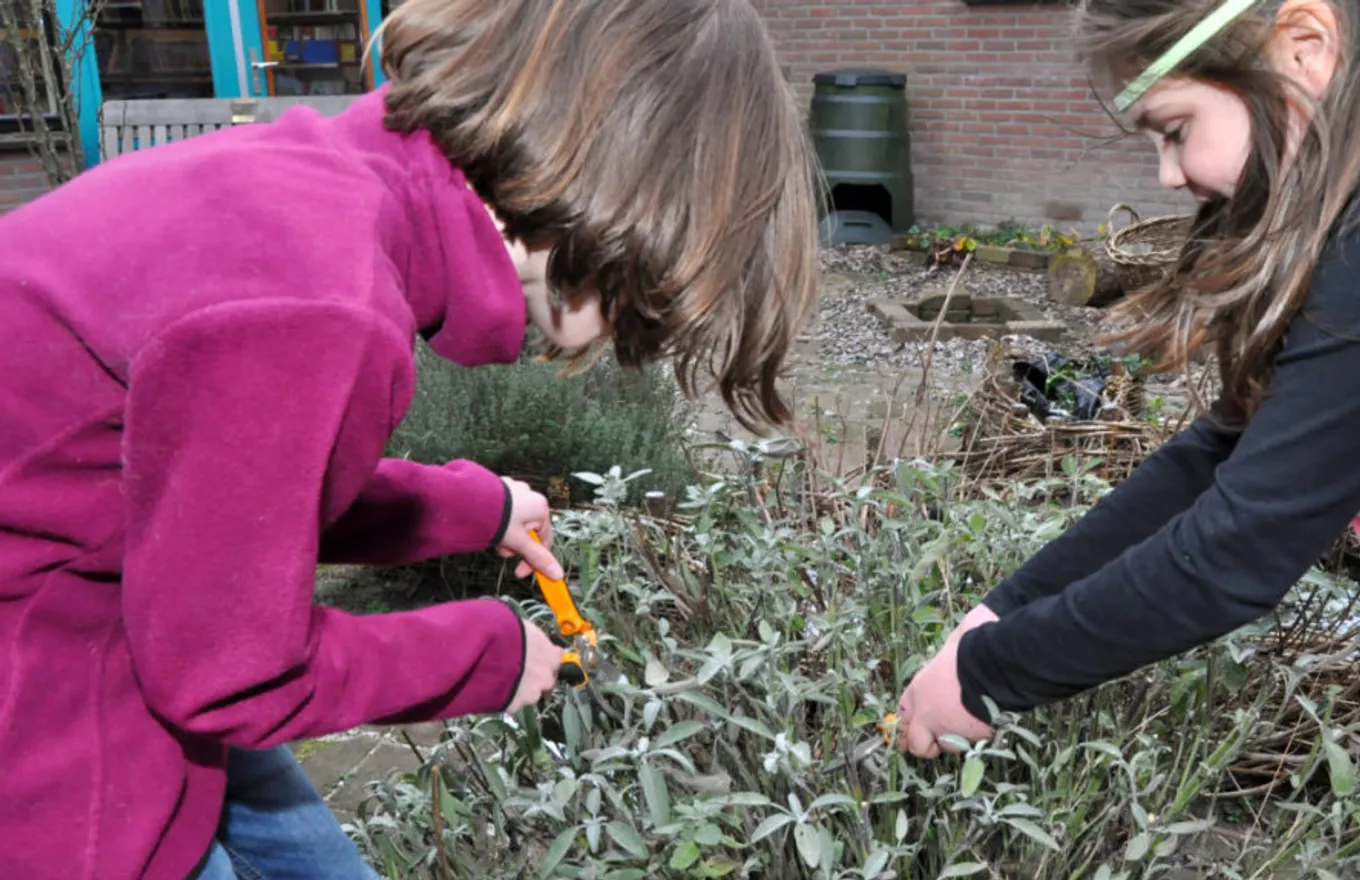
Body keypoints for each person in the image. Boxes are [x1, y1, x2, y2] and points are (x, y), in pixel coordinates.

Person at [0, 0, 819, 876]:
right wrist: (490, 655)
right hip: (51, 700)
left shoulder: (325, 189)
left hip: (131, 608)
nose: (629, 340)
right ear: (632, 214)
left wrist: (475, 506)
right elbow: (230, 675)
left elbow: (223, 500)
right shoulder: (321, 306)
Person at [895, 1, 1360, 876]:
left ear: (1304, 49)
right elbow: (1219, 457)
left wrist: (991, 674)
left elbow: (1233, 551)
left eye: (1175, 129)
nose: (1169, 175)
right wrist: (1002, 610)